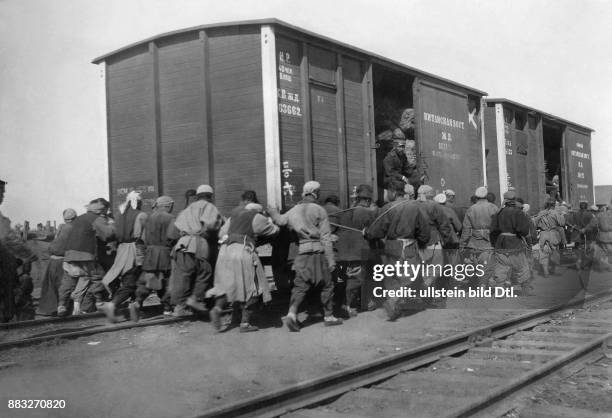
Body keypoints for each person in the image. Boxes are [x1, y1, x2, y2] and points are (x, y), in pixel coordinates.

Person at [268, 181, 343, 331]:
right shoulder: (319, 210)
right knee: (327, 284)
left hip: (301, 253)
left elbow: (281, 220)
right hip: (318, 253)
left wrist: (273, 211)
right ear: (316, 193)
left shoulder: (293, 210)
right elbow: (326, 237)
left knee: (300, 286)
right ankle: (329, 316)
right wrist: (331, 260)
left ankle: (291, 314)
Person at [365, 180, 430, 320]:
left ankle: (394, 304)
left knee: (392, 278)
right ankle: (395, 302)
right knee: (409, 276)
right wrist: (423, 242)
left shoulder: (387, 208)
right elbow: (424, 231)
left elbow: (376, 231)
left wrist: (367, 233)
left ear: (393, 192)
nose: (387, 194)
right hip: (410, 246)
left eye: (388, 192)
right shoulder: (415, 207)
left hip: (391, 247)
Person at [209, 203, 279, 332]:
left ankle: (217, 309)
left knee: (227, 285)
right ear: (258, 211)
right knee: (252, 287)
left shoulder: (233, 217)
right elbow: (273, 230)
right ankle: (245, 324)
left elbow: (221, 234)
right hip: (242, 251)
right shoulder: (256, 216)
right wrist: (272, 220)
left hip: (225, 251)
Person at [170, 184, 223, 316]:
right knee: (205, 271)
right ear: (210, 196)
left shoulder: (188, 209)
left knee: (183, 276)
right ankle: (196, 298)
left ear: (198, 196)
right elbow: (209, 226)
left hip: (182, 244)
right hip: (198, 242)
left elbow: (174, 230)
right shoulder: (209, 206)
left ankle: (179, 307)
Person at [58, 199, 114, 316]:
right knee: (98, 278)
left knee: (69, 280)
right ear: (102, 209)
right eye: (106, 209)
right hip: (85, 255)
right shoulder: (97, 219)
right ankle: (95, 304)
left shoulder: (79, 218)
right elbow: (108, 234)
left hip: (69, 255)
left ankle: (62, 305)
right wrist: (112, 223)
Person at [101, 192, 148, 322]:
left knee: (132, 278)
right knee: (132, 281)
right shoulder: (141, 215)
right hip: (135, 250)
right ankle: (112, 305)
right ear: (138, 202)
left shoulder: (120, 215)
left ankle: (136, 311)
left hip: (122, 249)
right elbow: (141, 235)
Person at [129, 196, 176, 321]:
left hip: (150, 252)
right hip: (165, 252)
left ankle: (137, 302)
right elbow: (172, 236)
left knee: (148, 279)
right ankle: (167, 308)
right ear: (168, 206)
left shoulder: (149, 217)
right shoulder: (170, 218)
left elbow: (142, 238)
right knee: (168, 281)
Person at [335, 185, 376, 317]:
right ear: (368, 200)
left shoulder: (347, 210)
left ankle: (356, 302)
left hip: (345, 250)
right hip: (358, 250)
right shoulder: (366, 212)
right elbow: (372, 232)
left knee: (350, 277)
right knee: (357, 278)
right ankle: (346, 305)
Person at [489, 191, 532, 295]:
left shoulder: (499, 213)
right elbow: (524, 231)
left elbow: (493, 230)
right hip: (515, 243)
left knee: (501, 267)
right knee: (522, 266)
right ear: (514, 200)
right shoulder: (519, 212)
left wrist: (495, 243)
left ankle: (500, 289)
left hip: (501, 244)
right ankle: (525, 289)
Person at [38, 208, 77, 316]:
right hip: (64, 260)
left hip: (53, 259)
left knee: (51, 285)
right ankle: (65, 308)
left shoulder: (61, 227)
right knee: (64, 285)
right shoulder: (75, 228)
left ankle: (50, 309)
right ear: (75, 217)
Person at [460, 187, 499, 286]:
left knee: (477, 266)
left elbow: (466, 229)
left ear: (476, 196)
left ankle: (480, 284)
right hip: (489, 242)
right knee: (488, 265)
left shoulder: (471, 208)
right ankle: (484, 284)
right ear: (486, 195)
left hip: (474, 243)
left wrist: (462, 245)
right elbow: (498, 227)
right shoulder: (493, 207)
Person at [417, 185, 452, 290]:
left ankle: (423, 289)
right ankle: (426, 285)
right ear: (429, 194)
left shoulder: (412, 205)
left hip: (416, 240)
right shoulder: (434, 206)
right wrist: (446, 240)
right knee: (436, 266)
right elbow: (444, 224)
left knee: (422, 267)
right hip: (432, 240)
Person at [534, 199, 566, 277]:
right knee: (555, 252)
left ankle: (546, 271)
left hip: (543, 234)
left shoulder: (541, 213)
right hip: (553, 234)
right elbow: (562, 223)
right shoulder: (556, 213)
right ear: (554, 205)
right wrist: (562, 215)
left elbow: (535, 223)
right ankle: (553, 269)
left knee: (544, 253)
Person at [434, 193, 461, 268]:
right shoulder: (449, 210)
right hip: (451, 239)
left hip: (437, 239)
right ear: (445, 202)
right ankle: (454, 277)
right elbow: (458, 226)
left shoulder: (432, 211)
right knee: (453, 260)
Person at [586, 199, 612, 271]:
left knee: (606, 250)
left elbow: (591, 225)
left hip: (603, 236)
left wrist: (584, 230)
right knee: (608, 251)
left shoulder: (600, 215)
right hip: (608, 236)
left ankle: (608, 266)